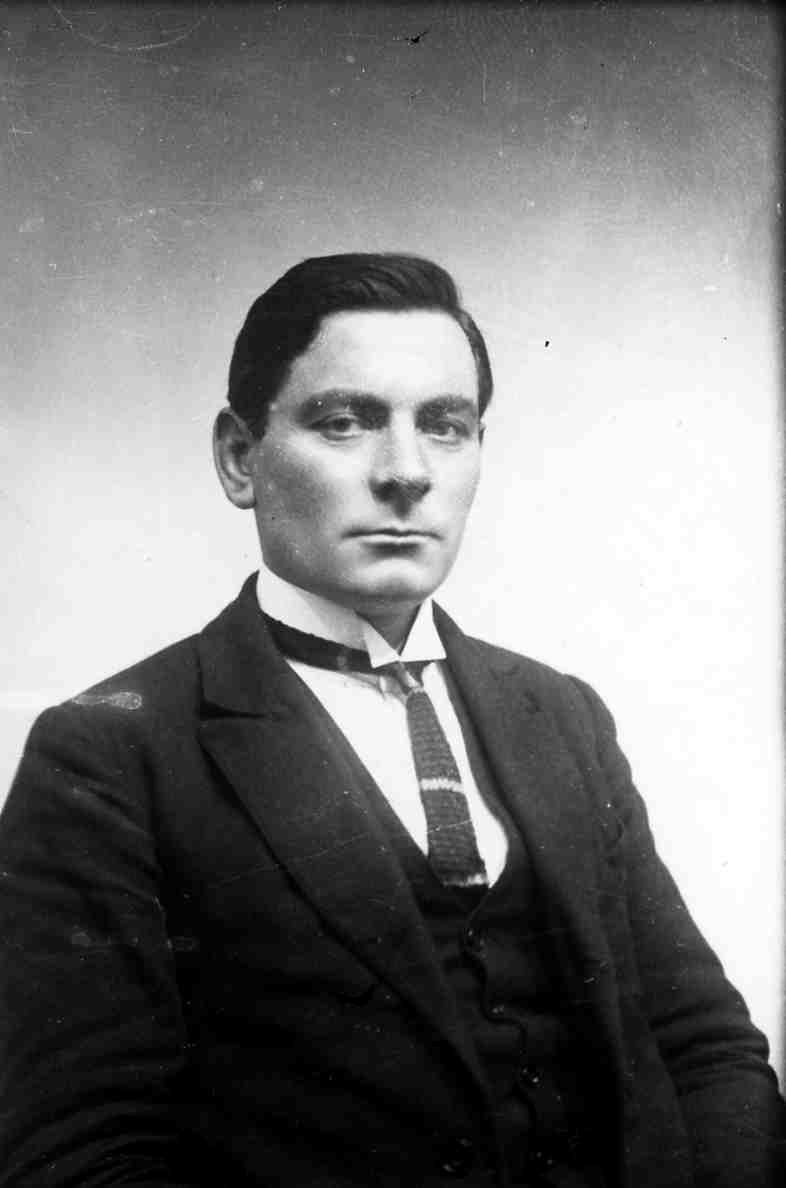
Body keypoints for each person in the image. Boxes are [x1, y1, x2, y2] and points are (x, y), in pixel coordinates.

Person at [0, 254, 783, 1188]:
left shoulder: (562, 714)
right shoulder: (111, 751)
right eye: (345, 422)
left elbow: (704, 1046)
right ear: (241, 459)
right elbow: (80, 1151)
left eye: (444, 426)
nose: (406, 472)